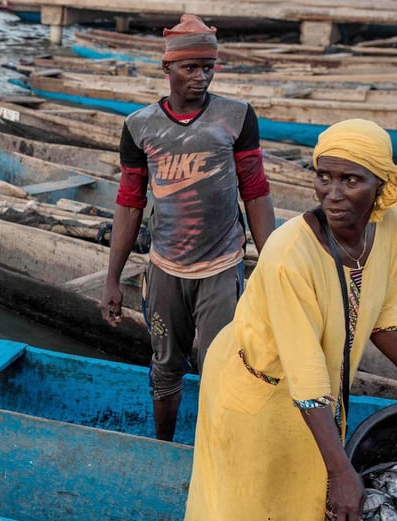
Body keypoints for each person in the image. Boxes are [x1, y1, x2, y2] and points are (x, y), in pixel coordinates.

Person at [166, 118, 397, 521]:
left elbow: (385, 318)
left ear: (381, 185)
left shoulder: (392, 229)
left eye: (351, 180)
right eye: (324, 177)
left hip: (315, 397)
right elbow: (305, 368)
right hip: (255, 392)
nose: (333, 194)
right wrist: (343, 472)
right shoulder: (288, 253)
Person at [99, 14, 277, 441]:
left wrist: (272, 268)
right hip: (165, 269)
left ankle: (215, 454)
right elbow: (129, 203)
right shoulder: (140, 127)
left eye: (208, 67)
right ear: (167, 69)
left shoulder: (236, 117)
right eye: (190, 68)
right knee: (165, 367)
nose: (201, 77)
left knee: (223, 366)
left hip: (220, 268)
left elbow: (254, 192)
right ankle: (165, 447)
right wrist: (111, 279)